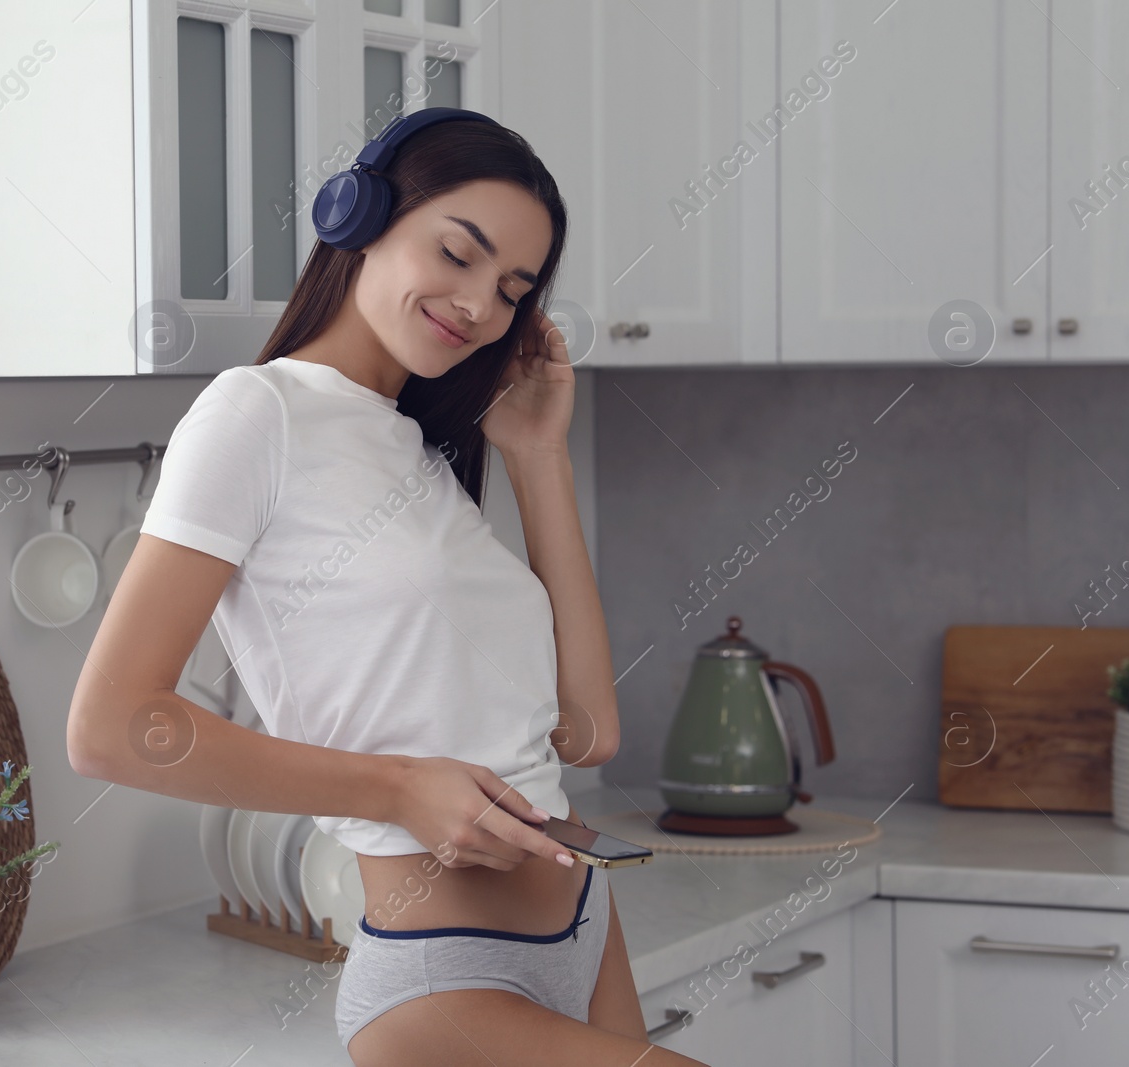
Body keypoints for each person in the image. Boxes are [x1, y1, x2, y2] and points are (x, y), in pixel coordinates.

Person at [67, 108, 710, 1067]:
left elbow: (587, 731)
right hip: (441, 977)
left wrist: (538, 459)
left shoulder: (417, 449)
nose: (481, 305)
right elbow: (113, 727)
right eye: (457, 253)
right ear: (358, 214)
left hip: (586, 923)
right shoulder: (258, 415)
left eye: (512, 290)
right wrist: (400, 789)